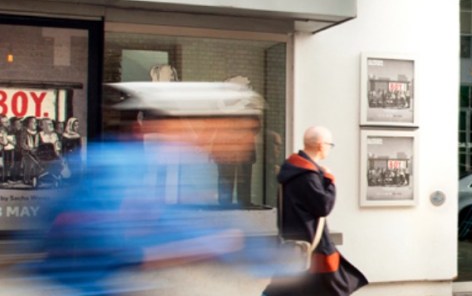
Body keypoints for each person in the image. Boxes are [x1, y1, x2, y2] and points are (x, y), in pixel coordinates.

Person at [29, 81, 287, 295]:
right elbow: (109, 246)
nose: (246, 141)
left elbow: (173, 225)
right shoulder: (115, 165)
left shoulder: (161, 165)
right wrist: (208, 245)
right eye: (240, 130)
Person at [265, 125, 369, 295]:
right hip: (312, 246)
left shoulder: (292, 170)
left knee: (288, 288)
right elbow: (324, 206)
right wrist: (329, 180)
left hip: (296, 244)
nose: (329, 149)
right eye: (329, 145)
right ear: (321, 145)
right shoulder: (307, 175)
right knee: (329, 287)